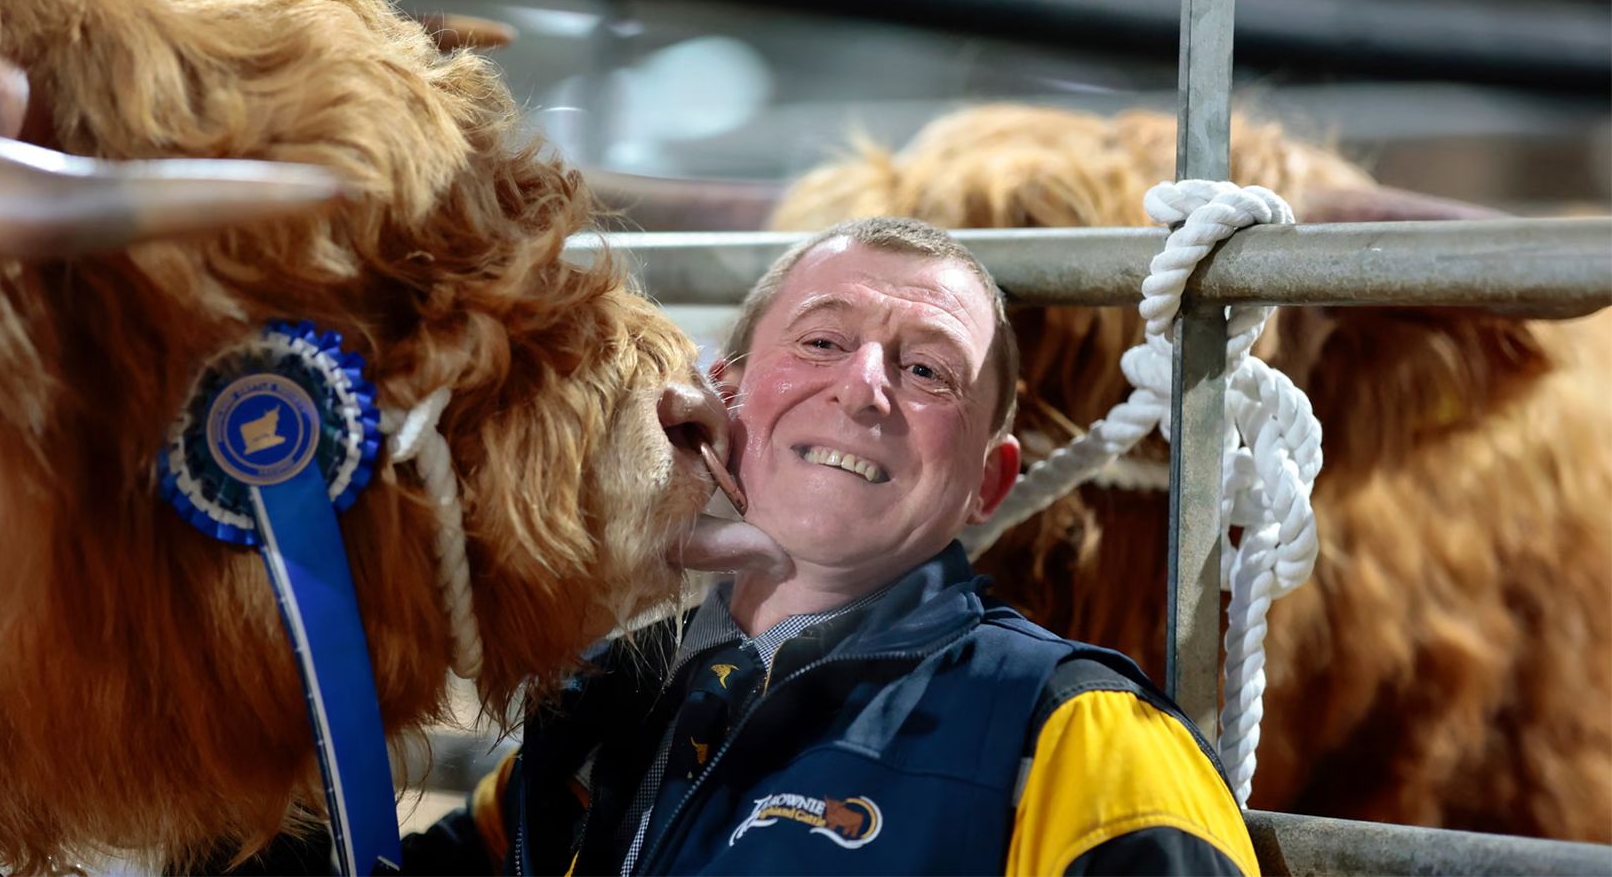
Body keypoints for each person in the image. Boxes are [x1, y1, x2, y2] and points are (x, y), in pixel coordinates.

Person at [401, 217, 1259, 876]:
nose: (864, 390)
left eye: (928, 370)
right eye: (822, 340)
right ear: (719, 397)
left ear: (987, 485)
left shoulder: (1079, 730)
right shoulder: (605, 697)